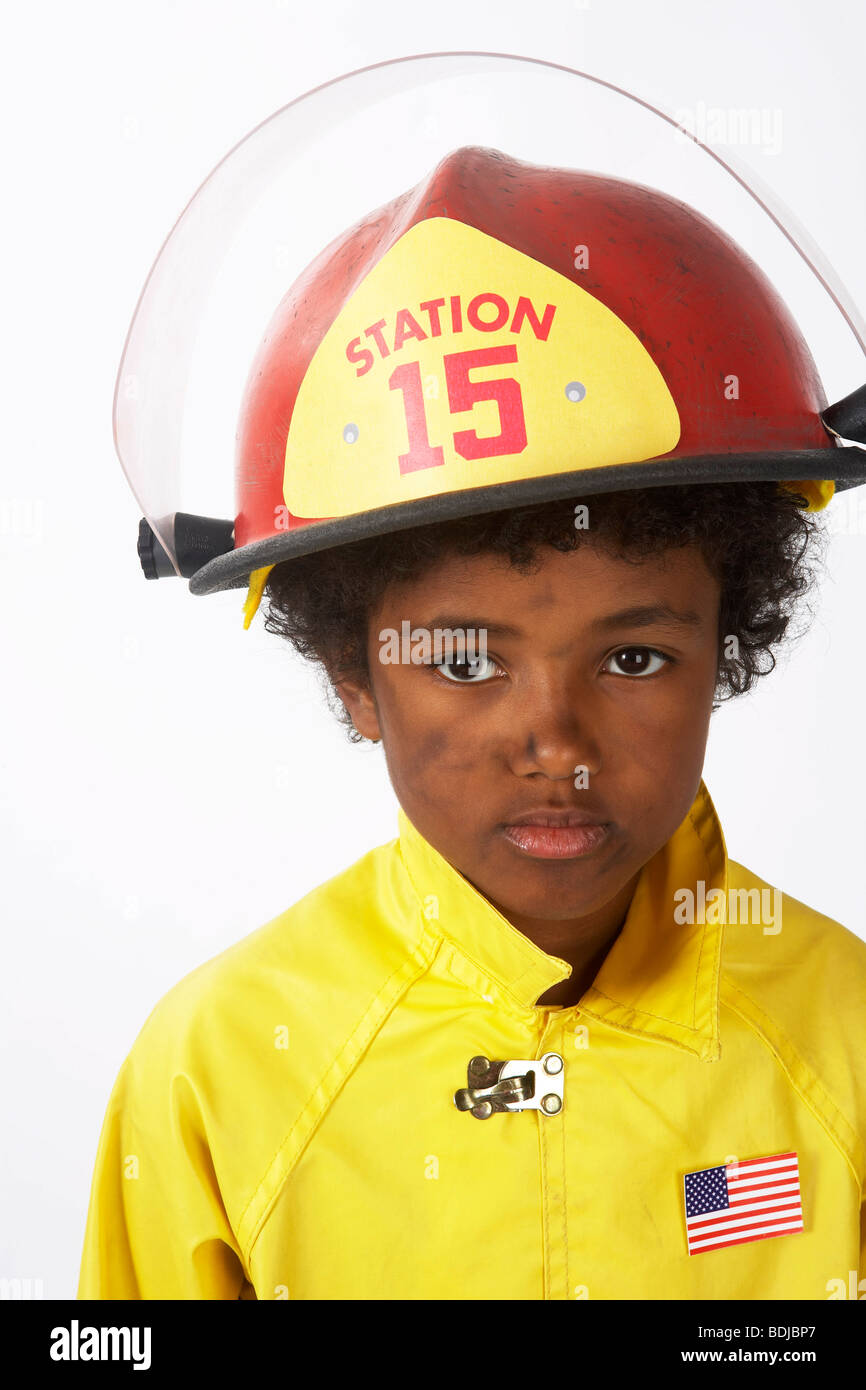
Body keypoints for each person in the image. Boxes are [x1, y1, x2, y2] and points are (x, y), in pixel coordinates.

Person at [78, 144, 866, 1300]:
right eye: (460, 661)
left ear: (727, 647)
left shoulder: (842, 1040)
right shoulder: (215, 1072)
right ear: (354, 671)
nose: (553, 741)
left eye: (633, 656)